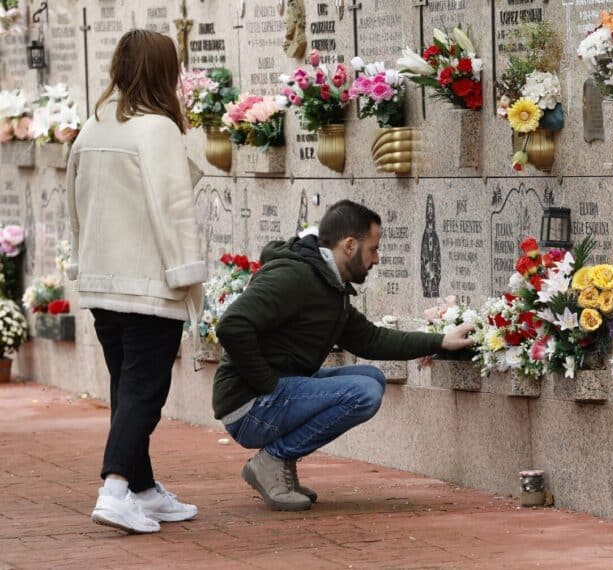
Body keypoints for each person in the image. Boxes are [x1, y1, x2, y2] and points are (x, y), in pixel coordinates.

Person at [213, 200, 474, 511]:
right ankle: (273, 460)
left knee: (371, 378)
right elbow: (232, 325)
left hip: (270, 394)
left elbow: (371, 339)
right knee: (363, 392)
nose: (377, 259)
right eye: (373, 249)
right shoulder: (294, 276)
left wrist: (441, 341)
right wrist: (266, 383)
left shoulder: (328, 283)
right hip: (249, 407)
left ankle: (279, 465)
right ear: (350, 245)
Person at [66, 30, 206, 534]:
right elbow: (174, 210)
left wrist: (81, 262)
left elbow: (73, 204)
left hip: (103, 282)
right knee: (145, 392)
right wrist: (186, 275)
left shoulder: (93, 126)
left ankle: (142, 489)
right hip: (149, 283)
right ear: (163, 72)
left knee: (128, 389)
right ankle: (115, 489)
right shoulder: (157, 129)